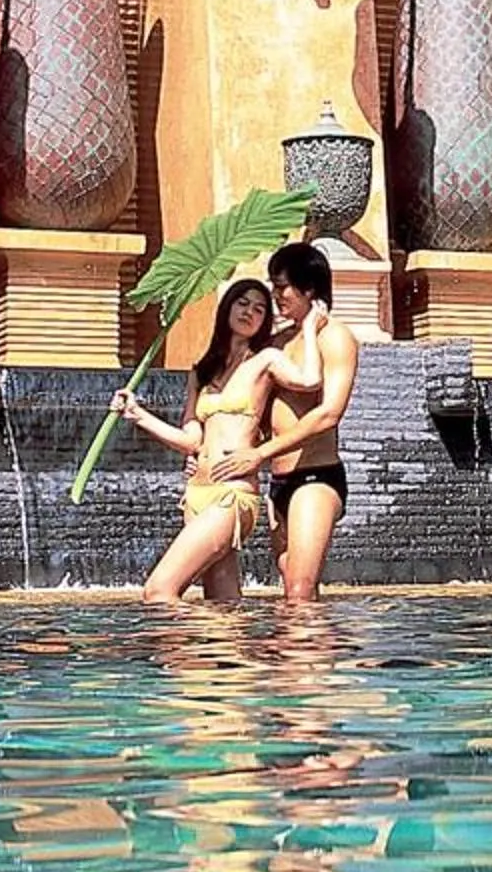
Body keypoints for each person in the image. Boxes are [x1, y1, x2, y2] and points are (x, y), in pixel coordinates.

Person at [112, 278, 289, 604]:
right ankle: (234, 655)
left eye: (260, 309)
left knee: (159, 591)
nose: (249, 311)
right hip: (196, 495)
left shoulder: (266, 361)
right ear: (227, 308)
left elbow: (311, 381)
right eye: (243, 303)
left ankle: (183, 655)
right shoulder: (202, 371)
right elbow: (191, 439)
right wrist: (138, 414)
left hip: (231, 495)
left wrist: (309, 327)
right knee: (222, 605)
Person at [200, 241, 359, 602]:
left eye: (282, 286)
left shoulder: (335, 338)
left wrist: (259, 454)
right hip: (279, 481)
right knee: (291, 581)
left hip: (315, 477)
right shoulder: (276, 341)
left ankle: (309, 658)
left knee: (299, 588)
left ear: (309, 288)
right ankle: (303, 659)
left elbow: (329, 414)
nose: (275, 295)